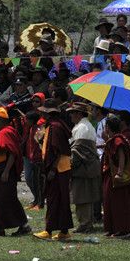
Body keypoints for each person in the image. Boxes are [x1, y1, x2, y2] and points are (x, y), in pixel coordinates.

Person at [0, 106, 31, 236]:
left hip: (5, 170)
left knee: (7, 198)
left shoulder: (6, 132)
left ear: (0, 120)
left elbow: (12, 153)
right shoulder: (1, 132)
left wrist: (6, 171)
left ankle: (24, 225)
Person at [34, 99, 73, 241]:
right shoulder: (55, 125)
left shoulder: (55, 127)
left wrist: (52, 169)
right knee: (61, 199)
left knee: (54, 199)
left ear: (49, 114)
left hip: (58, 168)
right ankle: (64, 231)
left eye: (44, 112)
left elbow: (58, 151)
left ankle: (48, 230)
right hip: (62, 168)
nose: (42, 115)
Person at [101, 114, 130, 237]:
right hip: (110, 176)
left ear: (108, 127)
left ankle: (123, 230)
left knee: (119, 204)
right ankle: (113, 228)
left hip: (118, 178)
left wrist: (120, 173)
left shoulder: (118, 140)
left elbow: (121, 155)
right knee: (109, 203)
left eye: (105, 126)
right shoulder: (113, 139)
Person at [67, 103, 100, 233]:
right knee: (85, 196)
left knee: (82, 196)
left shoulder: (82, 128)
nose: (70, 115)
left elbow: (77, 150)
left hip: (83, 167)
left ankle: (85, 223)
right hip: (88, 166)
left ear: (79, 114)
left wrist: (71, 165)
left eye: (72, 113)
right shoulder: (85, 125)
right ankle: (86, 222)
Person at [23, 111, 45, 210]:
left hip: (38, 159)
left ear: (32, 120)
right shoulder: (31, 128)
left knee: (38, 182)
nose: (25, 121)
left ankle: (40, 203)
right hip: (30, 158)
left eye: (27, 119)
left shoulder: (39, 129)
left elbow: (39, 144)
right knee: (31, 180)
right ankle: (36, 200)